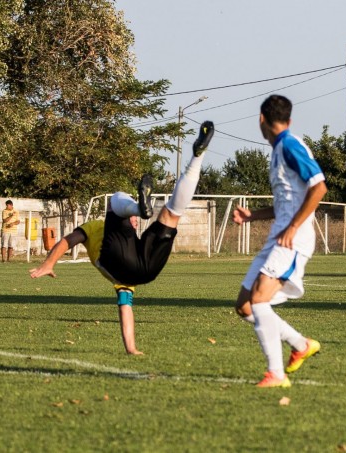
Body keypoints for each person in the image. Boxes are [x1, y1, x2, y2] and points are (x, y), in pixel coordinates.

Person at [29, 121, 215, 355]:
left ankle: (196, 157)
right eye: (134, 219)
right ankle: (191, 164)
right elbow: (68, 240)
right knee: (159, 212)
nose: (133, 224)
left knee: (170, 214)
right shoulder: (96, 226)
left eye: (135, 219)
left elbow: (125, 307)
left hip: (140, 270)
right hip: (141, 269)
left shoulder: (123, 248)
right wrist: (48, 262)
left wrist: (131, 349)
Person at [233, 95, 327, 388]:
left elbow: (319, 187)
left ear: (261, 119)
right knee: (245, 305)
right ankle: (300, 344)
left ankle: (276, 374)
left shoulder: (289, 145)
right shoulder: (278, 150)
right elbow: (287, 202)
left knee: (259, 299)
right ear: (289, 119)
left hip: (293, 239)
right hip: (279, 237)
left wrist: (293, 227)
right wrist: (253, 216)